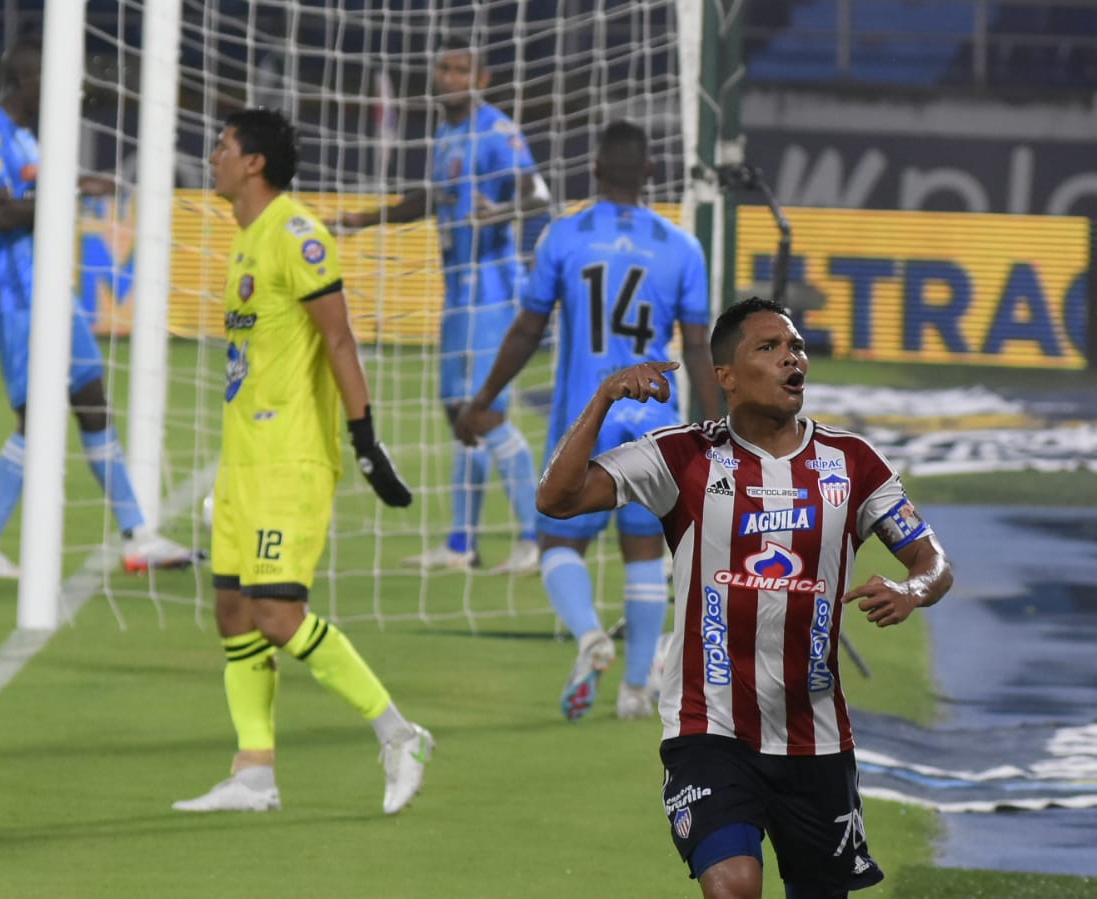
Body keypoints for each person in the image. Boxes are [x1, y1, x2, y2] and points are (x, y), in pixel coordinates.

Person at [537, 296, 953, 897]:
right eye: (770, 348)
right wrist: (603, 400)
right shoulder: (680, 456)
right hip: (709, 728)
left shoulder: (852, 463)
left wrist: (912, 589)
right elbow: (557, 500)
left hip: (816, 736)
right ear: (724, 377)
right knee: (732, 885)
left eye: (797, 348)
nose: (792, 359)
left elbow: (932, 559)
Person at [172, 107, 432, 815]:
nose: (212, 156)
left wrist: (366, 439)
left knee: (278, 614)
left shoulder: (296, 235)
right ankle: (253, 770)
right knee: (231, 608)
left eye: (222, 146)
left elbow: (340, 339)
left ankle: (398, 732)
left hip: (291, 458)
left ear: (253, 162)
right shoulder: (247, 237)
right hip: (242, 459)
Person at [455, 120, 722, 721]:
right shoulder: (682, 247)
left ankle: (589, 638)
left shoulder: (565, 236)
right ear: (651, 173)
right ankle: (635, 692)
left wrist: (485, 398)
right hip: (656, 422)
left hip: (587, 415)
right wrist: (719, 428)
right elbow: (700, 347)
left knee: (554, 540)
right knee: (645, 552)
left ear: (595, 170)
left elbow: (528, 329)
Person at [0, 36, 192, 578]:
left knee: (92, 404)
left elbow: (32, 203)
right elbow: (1, 215)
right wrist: (71, 191)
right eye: (51, 80)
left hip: (50, 295)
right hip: (24, 298)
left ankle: (138, 536)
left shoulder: (25, 139)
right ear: (27, 80)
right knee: (36, 420)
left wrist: (77, 185)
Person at [332, 35, 551, 575]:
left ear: (481, 80)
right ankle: (461, 545)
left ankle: (534, 537)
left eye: (460, 70)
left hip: (494, 291)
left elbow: (538, 198)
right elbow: (432, 199)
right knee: (459, 414)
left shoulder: (498, 131)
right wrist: (364, 220)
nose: (448, 79)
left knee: (487, 412)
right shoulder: (447, 135)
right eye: (443, 69)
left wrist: (493, 215)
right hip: (459, 292)